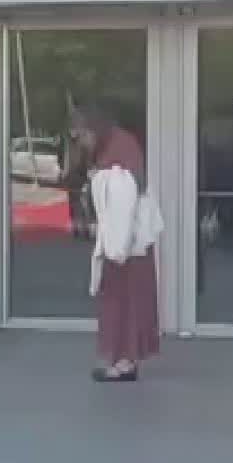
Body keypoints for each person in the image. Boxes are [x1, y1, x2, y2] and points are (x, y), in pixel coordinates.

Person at [72, 105, 162, 382]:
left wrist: (115, 246)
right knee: (124, 300)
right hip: (127, 242)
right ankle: (124, 359)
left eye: (82, 135)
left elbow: (124, 199)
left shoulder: (119, 150)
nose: (82, 142)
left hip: (124, 245)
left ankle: (124, 361)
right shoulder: (119, 146)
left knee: (123, 302)